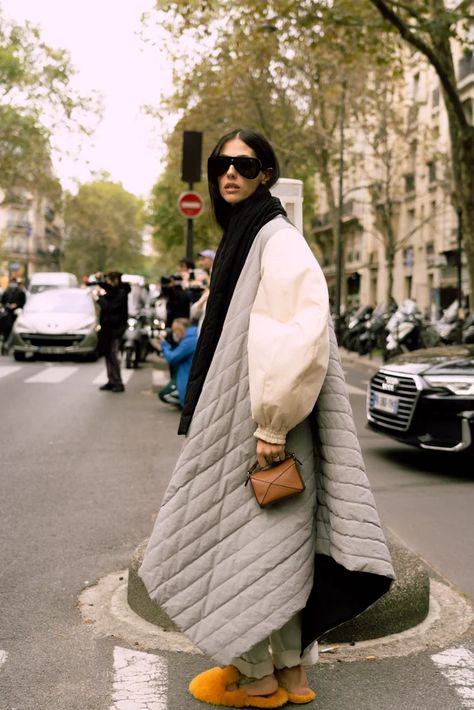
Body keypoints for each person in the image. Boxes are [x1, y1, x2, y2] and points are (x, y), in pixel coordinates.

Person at [139, 129, 394, 707]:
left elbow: (295, 334)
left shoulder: (274, 237)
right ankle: (293, 677)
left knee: (242, 550)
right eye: (222, 165)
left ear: (265, 173)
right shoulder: (250, 234)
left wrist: (272, 428)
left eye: (244, 164)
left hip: (260, 426)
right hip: (262, 420)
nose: (231, 173)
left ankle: (256, 679)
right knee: (276, 550)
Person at [97, 272, 130, 393]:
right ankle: (111, 380)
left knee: (113, 355)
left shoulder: (121, 293)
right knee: (107, 354)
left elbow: (109, 307)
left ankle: (117, 381)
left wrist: (100, 298)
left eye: (110, 280)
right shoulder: (115, 291)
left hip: (115, 328)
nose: (109, 283)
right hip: (108, 328)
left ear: (116, 280)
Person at [156, 317, 198, 408]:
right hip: (188, 377)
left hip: (187, 380)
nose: (174, 334)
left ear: (180, 329)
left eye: (175, 331)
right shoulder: (192, 336)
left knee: (164, 394)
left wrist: (164, 344)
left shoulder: (190, 341)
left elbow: (172, 358)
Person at [1, 277, 26, 346]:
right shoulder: (6, 292)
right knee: (7, 329)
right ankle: (6, 343)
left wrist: (16, 305)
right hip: (8, 313)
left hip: (17, 314)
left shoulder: (21, 292)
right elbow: (3, 302)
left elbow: (23, 303)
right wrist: (7, 305)